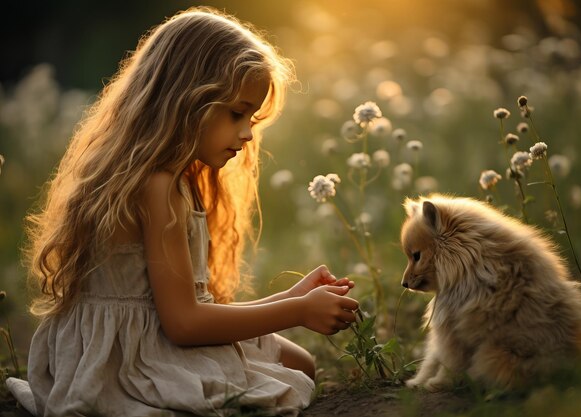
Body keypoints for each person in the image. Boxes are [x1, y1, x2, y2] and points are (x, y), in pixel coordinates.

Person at [7, 7, 359, 417]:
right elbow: (183, 324)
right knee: (291, 375)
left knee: (298, 363)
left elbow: (178, 311)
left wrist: (291, 298)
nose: (247, 133)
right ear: (186, 98)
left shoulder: (172, 178)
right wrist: (297, 311)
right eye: (236, 113)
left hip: (151, 332)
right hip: (129, 355)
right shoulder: (156, 187)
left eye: (252, 117)